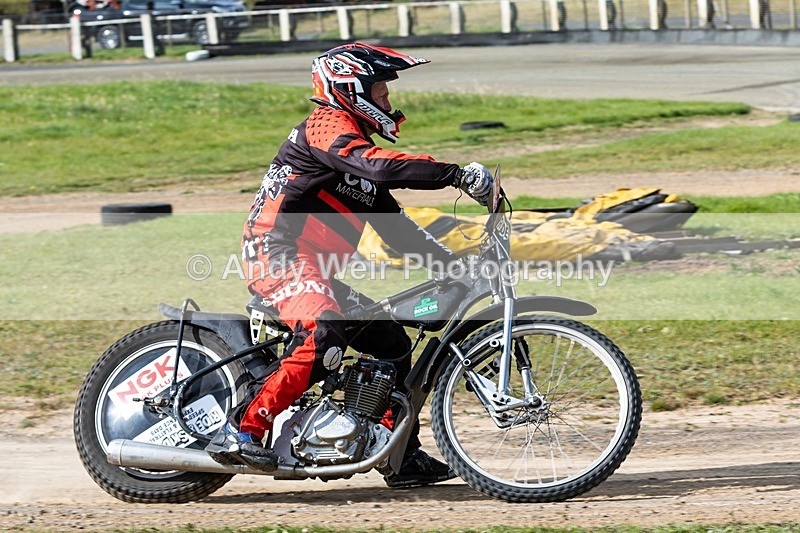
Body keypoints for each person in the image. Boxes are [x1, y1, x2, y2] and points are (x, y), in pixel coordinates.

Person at [206, 42, 493, 488]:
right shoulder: (325, 126)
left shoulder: (357, 157)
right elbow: (376, 167)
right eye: (380, 91)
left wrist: (453, 265)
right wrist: (453, 174)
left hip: (315, 270)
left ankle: (397, 454)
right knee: (322, 331)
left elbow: (398, 231)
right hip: (277, 254)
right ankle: (242, 429)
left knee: (390, 341)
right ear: (350, 89)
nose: (389, 101)